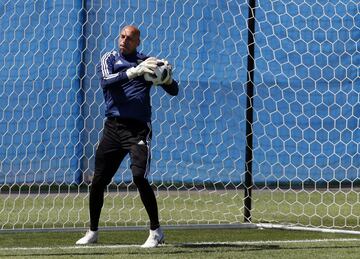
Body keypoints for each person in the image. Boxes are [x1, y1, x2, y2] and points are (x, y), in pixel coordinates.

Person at [76, 25, 179, 248]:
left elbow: (174, 90)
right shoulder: (109, 59)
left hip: (138, 130)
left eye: (130, 38)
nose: (124, 41)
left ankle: (156, 232)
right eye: (122, 36)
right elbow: (106, 81)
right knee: (98, 182)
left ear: (137, 42)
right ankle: (93, 232)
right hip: (113, 129)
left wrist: (166, 78)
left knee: (139, 177)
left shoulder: (148, 62)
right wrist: (134, 71)